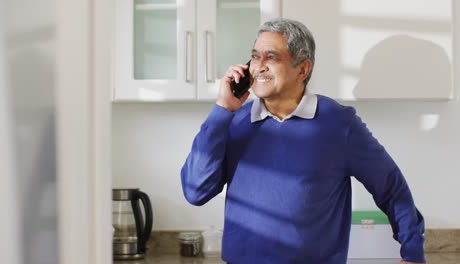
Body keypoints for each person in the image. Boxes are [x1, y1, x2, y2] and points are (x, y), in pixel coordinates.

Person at [180, 18, 425, 264]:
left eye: (272, 57)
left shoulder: (338, 123)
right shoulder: (232, 121)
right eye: (255, 57)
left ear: (303, 69)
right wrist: (223, 109)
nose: (259, 66)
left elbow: (390, 186)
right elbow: (195, 191)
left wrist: (412, 252)